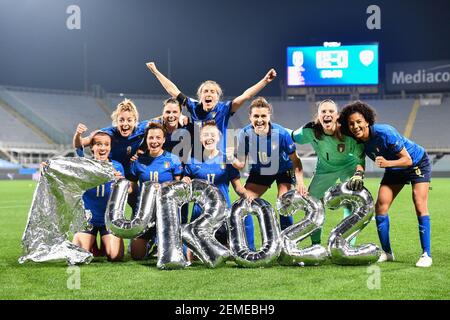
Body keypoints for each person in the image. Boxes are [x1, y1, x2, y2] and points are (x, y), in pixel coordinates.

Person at [339, 100, 432, 267]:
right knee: (380, 207)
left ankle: (426, 254)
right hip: (395, 170)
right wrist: (358, 174)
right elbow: (359, 161)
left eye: (359, 122)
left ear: (367, 121)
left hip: (417, 163)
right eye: (351, 123)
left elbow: (407, 160)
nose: (355, 126)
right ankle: (387, 252)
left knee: (419, 204)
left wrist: (387, 163)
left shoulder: (385, 132)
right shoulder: (358, 141)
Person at [146, 61, 277, 156]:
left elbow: (246, 95)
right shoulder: (193, 106)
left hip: (218, 159)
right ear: (200, 95)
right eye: (205, 91)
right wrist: (156, 72)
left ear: (217, 96)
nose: (208, 94)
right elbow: (173, 91)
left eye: (212, 91)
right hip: (197, 159)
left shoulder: (225, 109)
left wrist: (264, 81)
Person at [290, 99, 366, 245]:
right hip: (325, 169)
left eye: (331, 111)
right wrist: (272, 129)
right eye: (323, 111)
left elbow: (360, 158)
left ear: (337, 116)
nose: (327, 114)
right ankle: (315, 244)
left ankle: (347, 245)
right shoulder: (310, 130)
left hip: (348, 167)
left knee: (352, 202)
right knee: (313, 203)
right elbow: (291, 135)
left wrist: (358, 174)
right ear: (318, 116)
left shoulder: (347, 132)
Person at [182, 122, 254, 260]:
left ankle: (225, 242)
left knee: (227, 256)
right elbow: (186, 177)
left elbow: (238, 187)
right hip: (199, 213)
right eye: (205, 135)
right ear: (200, 138)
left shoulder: (227, 161)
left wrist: (246, 194)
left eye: (212, 135)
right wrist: (185, 179)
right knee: (191, 257)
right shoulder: (192, 161)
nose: (209, 138)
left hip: (222, 214)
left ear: (218, 138)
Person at [233, 97, 307, 230]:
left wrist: (300, 182)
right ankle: (247, 245)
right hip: (260, 171)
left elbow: (296, 160)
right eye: (256, 116)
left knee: (284, 202)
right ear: (250, 117)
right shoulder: (244, 134)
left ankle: (286, 242)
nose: (259, 120)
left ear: (269, 116)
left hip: (283, 170)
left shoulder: (281, 134)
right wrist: (230, 159)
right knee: (245, 204)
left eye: (263, 116)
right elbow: (241, 164)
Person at [128, 122, 183, 260]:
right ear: (146, 140)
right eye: (151, 138)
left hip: (165, 214)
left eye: (158, 138)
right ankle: (150, 240)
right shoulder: (138, 162)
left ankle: (159, 240)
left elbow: (178, 187)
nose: (154, 141)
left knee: (166, 255)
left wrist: (164, 187)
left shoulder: (173, 159)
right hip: (144, 213)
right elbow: (132, 189)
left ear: (164, 139)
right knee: (137, 256)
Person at [71, 129, 125, 261]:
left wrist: (120, 182)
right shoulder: (85, 165)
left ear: (110, 147)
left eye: (106, 144)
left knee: (115, 256)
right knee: (78, 257)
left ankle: (108, 239)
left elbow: (127, 191)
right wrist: (50, 166)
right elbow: (77, 146)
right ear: (92, 147)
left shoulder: (117, 166)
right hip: (88, 220)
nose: (102, 148)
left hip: (109, 221)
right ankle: (92, 241)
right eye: (98, 144)